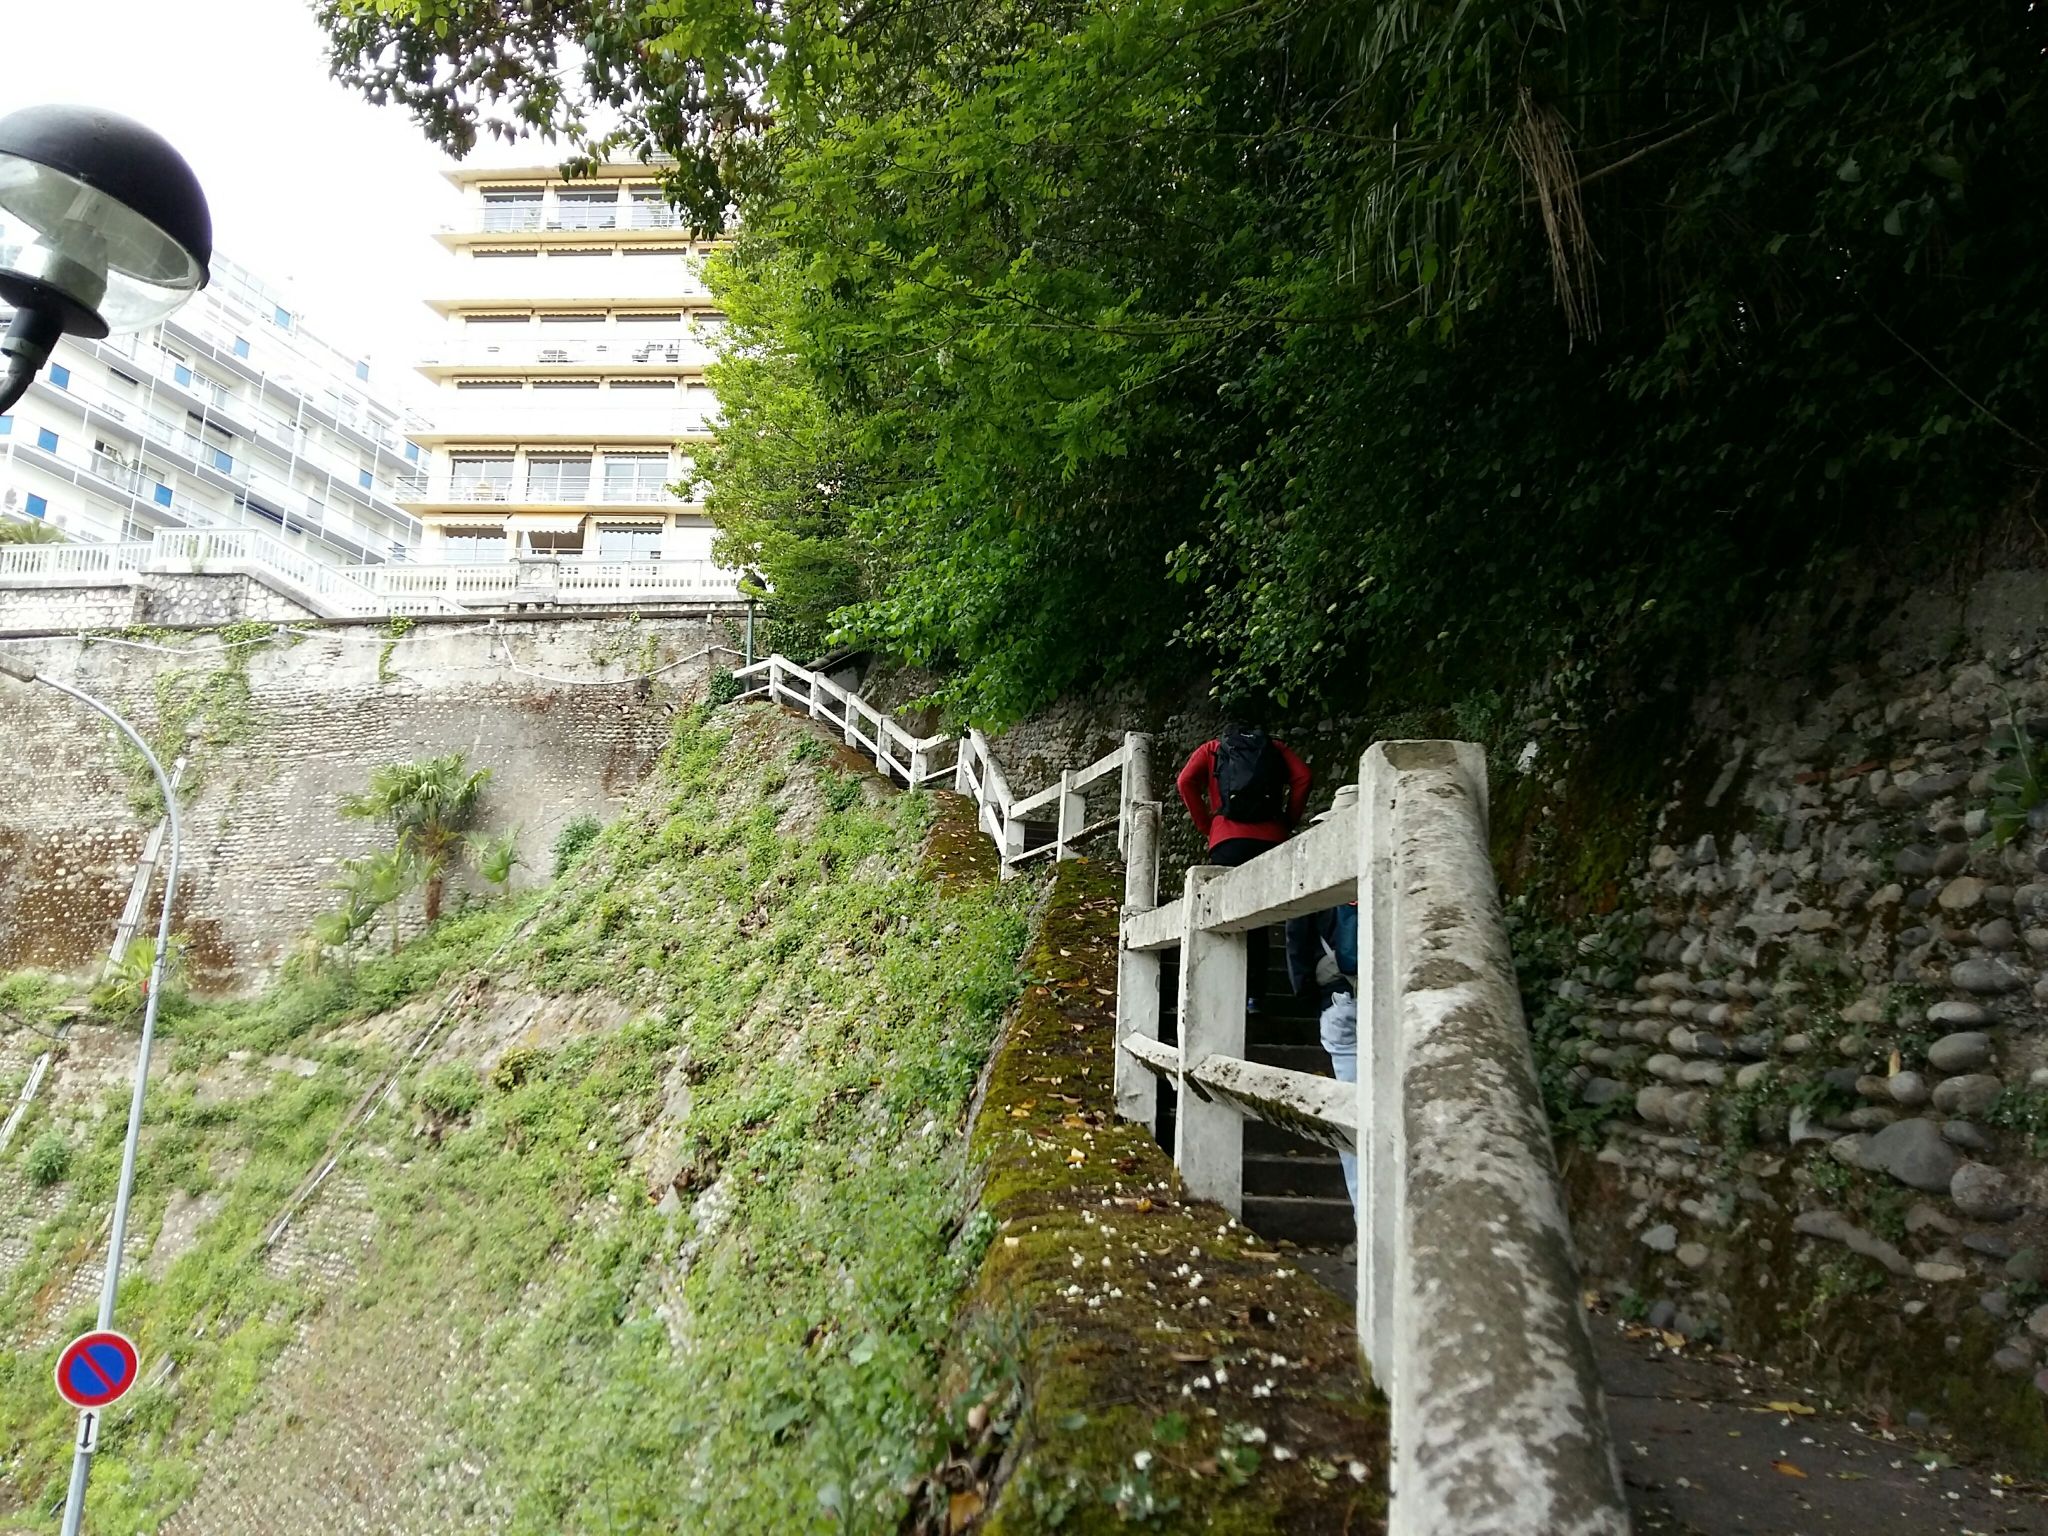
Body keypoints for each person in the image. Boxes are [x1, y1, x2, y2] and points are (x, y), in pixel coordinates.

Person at [1176, 723, 1311, 1010]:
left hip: (1227, 839)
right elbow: (1303, 777)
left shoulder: (1213, 749)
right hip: (1271, 839)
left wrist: (1206, 824)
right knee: (1258, 917)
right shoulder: (1275, 748)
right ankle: (1255, 996)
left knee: (1221, 914)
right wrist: (1287, 821)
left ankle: (1219, 994)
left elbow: (1185, 781)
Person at [1286, 900, 1359, 1208]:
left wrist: (1307, 993)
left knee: (1353, 1116)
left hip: (1339, 998)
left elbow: (1298, 932)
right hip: (1396, 996)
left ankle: (1364, 1217)